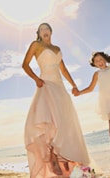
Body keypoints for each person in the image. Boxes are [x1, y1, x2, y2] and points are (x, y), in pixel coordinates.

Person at [22, 23, 90, 177]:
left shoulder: (57, 49)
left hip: (60, 88)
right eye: (41, 30)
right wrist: (36, 79)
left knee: (65, 126)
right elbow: (25, 65)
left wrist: (74, 85)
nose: (45, 31)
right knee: (49, 125)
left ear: (51, 32)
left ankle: (67, 163)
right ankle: (53, 162)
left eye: (47, 29)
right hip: (46, 85)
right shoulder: (36, 45)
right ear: (39, 34)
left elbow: (63, 70)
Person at [74, 52, 110, 162]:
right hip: (107, 101)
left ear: (105, 59)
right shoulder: (97, 74)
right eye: (96, 61)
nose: (99, 62)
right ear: (94, 64)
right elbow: (90, 88)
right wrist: (80, 92)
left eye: (101, 59)